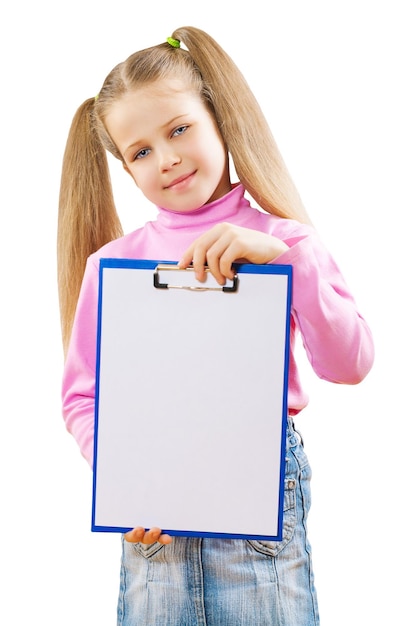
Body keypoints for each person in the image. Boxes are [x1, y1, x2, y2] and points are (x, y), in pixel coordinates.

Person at [57, 26, 374, 626]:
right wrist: (120, 474)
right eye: (141, 151)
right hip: (154, 524)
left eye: (178, 129)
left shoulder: (284, 241)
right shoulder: (112, 266)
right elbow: (80, 397)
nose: (167, 158)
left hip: (259, 509)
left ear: (218, 117)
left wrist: (290, 261)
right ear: (125, 169)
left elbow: (350, 363)